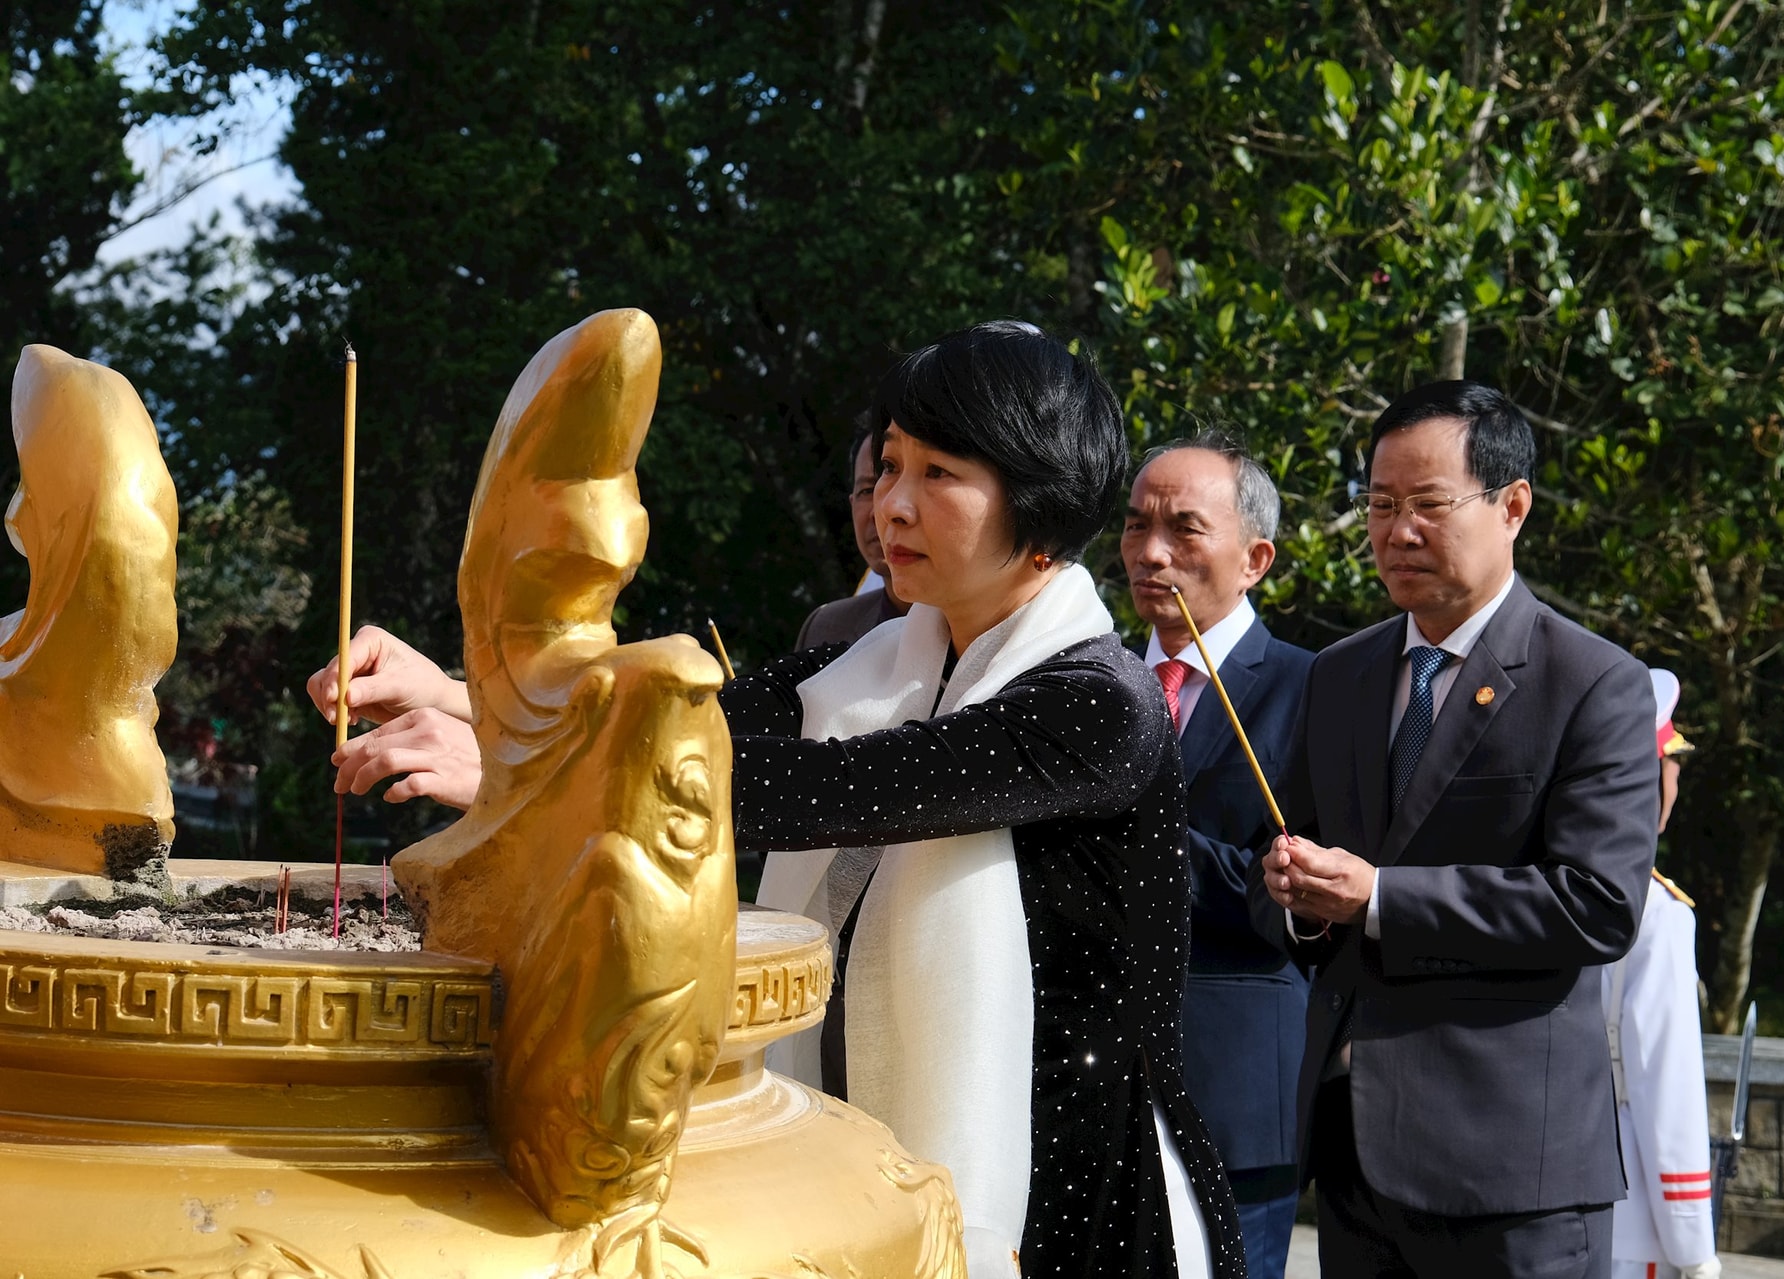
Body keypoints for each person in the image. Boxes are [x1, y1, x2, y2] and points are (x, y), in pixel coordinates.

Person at [310, 322, 1246, 1279]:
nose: (894, 505)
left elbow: (845, 787)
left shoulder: (1100, 702)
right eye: (889, 467)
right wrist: (457, 693)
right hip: (892, 1144)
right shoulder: (875, 658)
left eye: (939, 475)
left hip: (1077, 1184)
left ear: (1039, 505)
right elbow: (706, 721)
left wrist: (551, 784)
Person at [1247, 379, 1659, 1279]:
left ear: (1512, 507)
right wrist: (1300, 898)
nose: (1398, 532)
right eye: (1381, 505)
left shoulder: (1593, 681)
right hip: (1354, 1159)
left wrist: (1381, 896)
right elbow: (1292, 852)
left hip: (1515, 1171)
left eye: (1430, 505)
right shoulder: (1344, 674)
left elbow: (1595, 905)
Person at [1122, 432, 1313, 1279]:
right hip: (1086, 1076)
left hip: (1232, 1090)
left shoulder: (1315, 688)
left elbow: (1301, 894)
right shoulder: (1091, 679)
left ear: (1255, 558)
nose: (1151, 552)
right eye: (1134, 526)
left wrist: (1129, 839)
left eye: (1185, 529)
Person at [1605, 669, 1720, 1279]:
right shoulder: (1656, 912)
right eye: (1670, 763)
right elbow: (1664, 1083)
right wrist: (1693, 1244)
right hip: (1631, 1209)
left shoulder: (1523, 880)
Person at [793, 415, 907, 649]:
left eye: (897, 485)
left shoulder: (986, 626)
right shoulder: (825, 630)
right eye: (867, 491)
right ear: (851, 502)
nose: (881, 512)